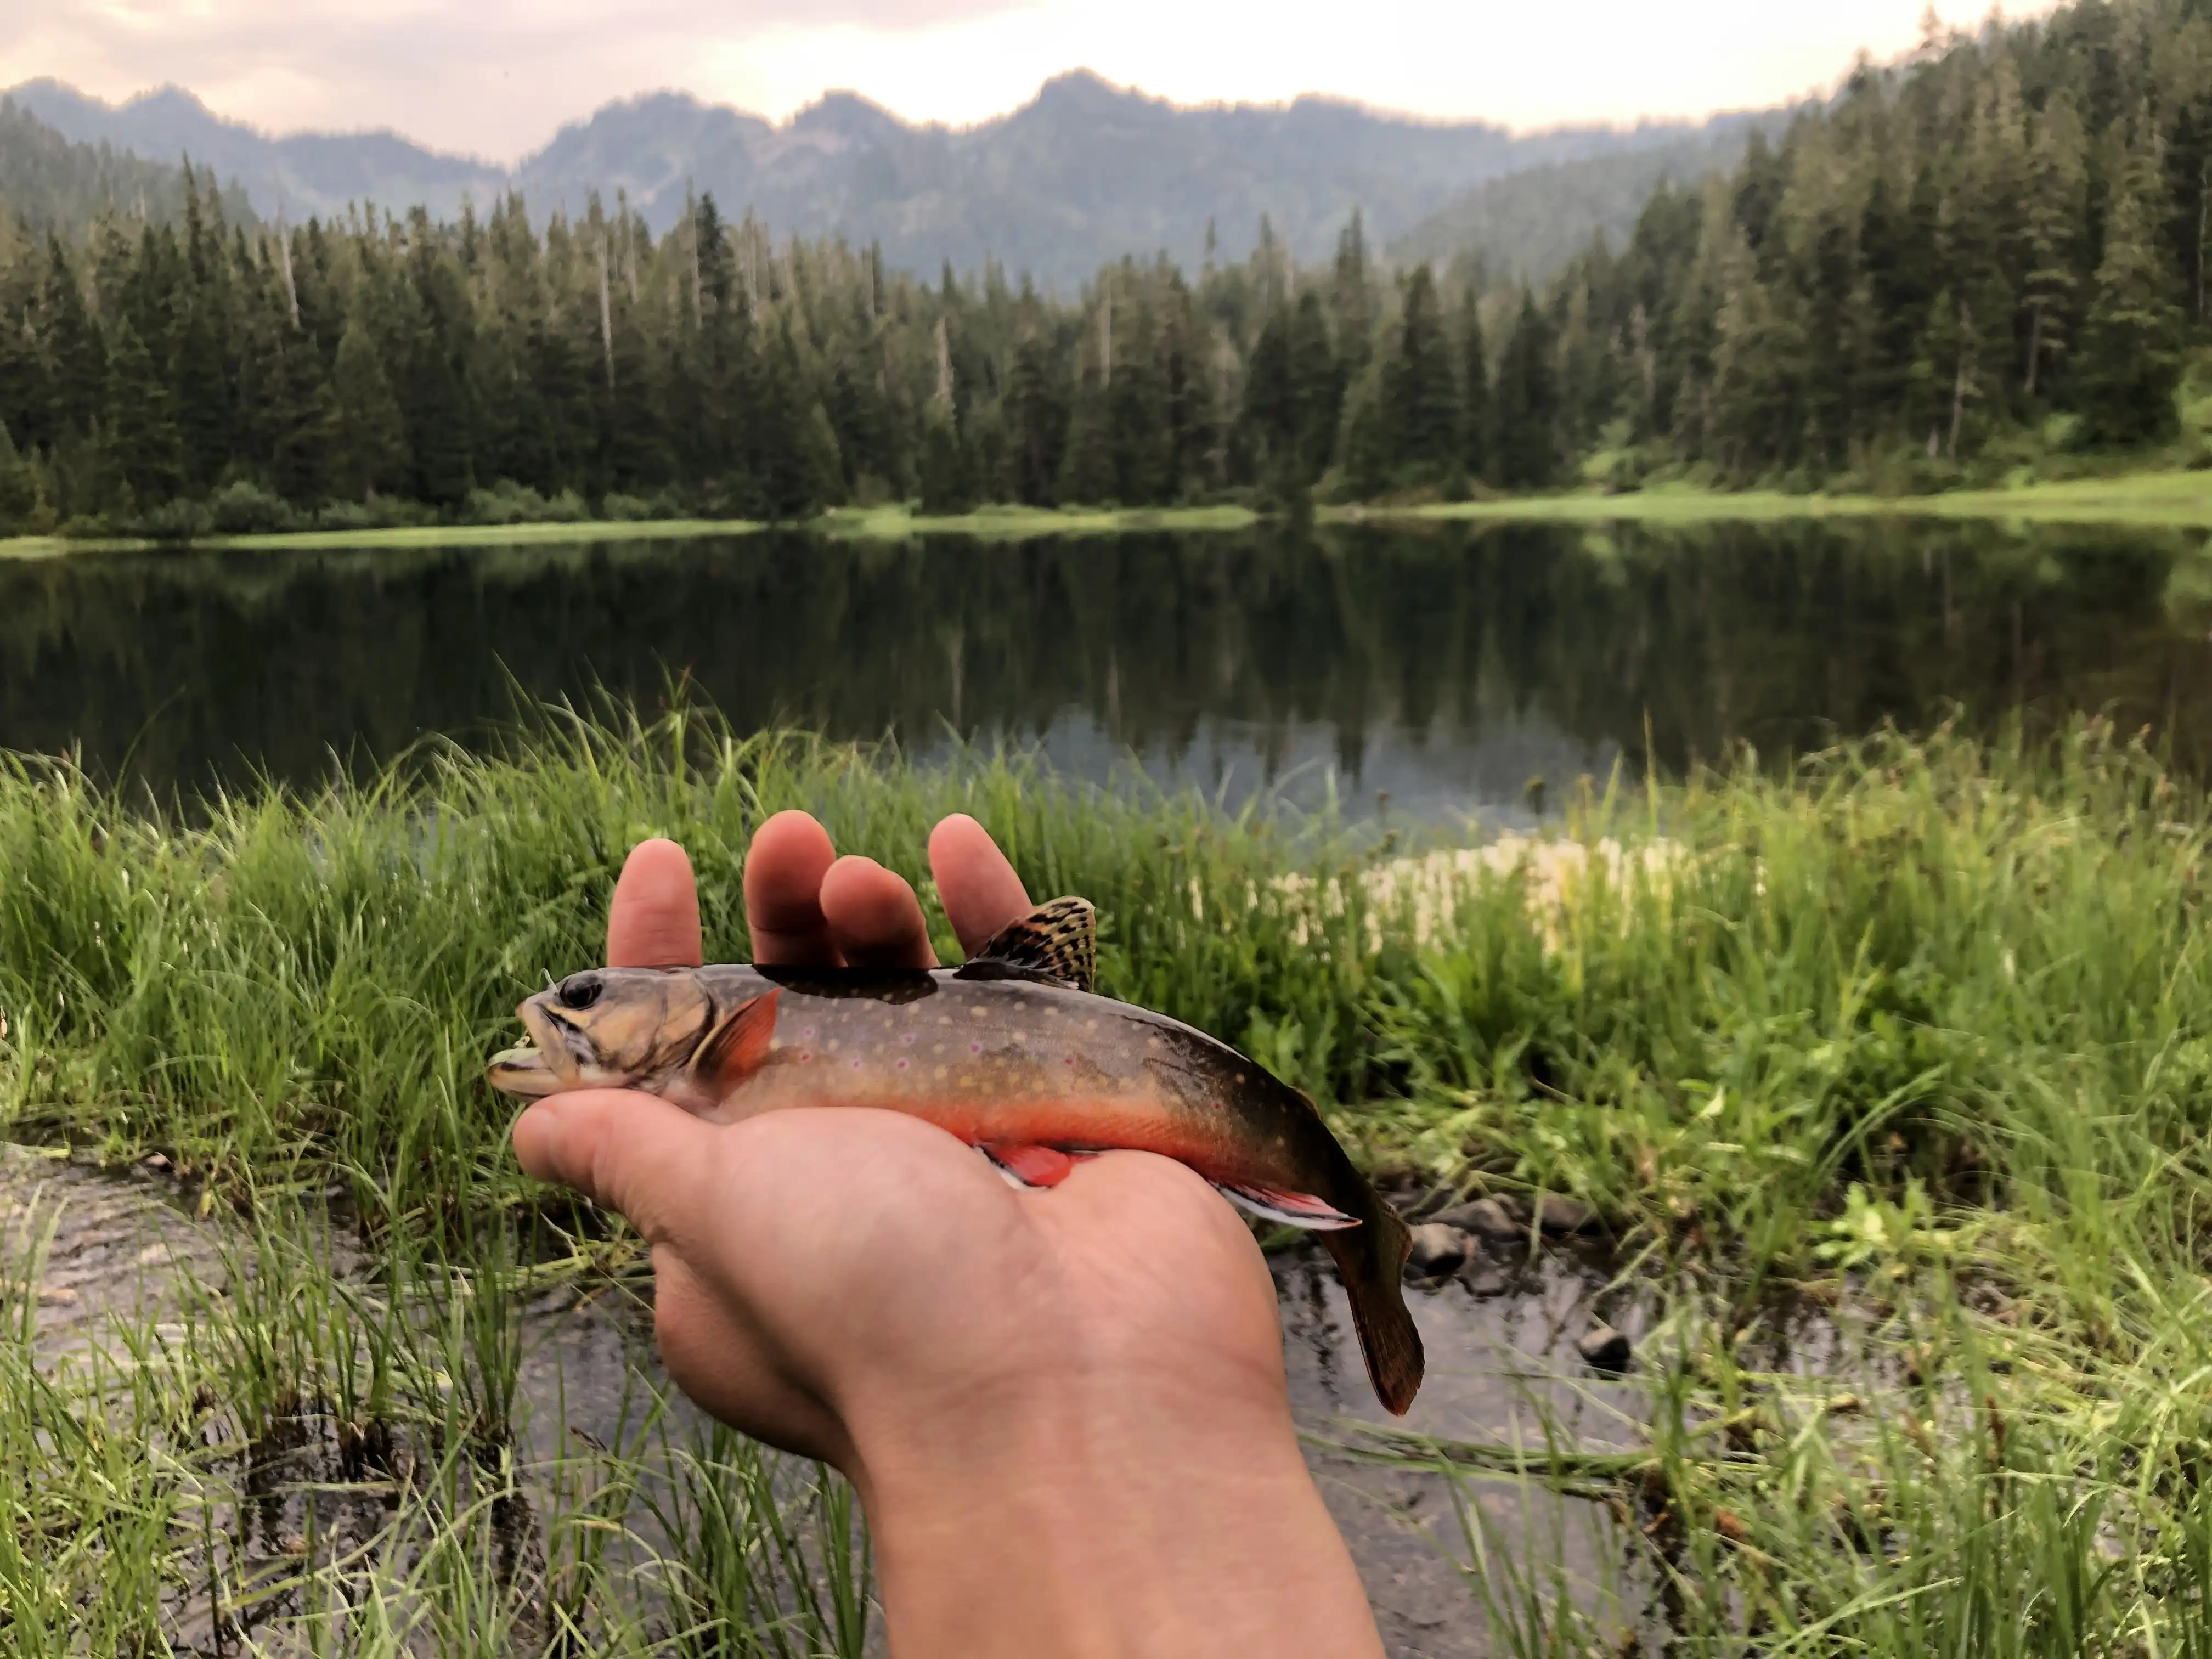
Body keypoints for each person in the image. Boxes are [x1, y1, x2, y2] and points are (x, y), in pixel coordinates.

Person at [511, 810, 1389, 1657]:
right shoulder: (705, 1061)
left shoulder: (728, 1036)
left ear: (683, 1011)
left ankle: (1370, 1248)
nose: (556, 1009)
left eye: (584, 998)